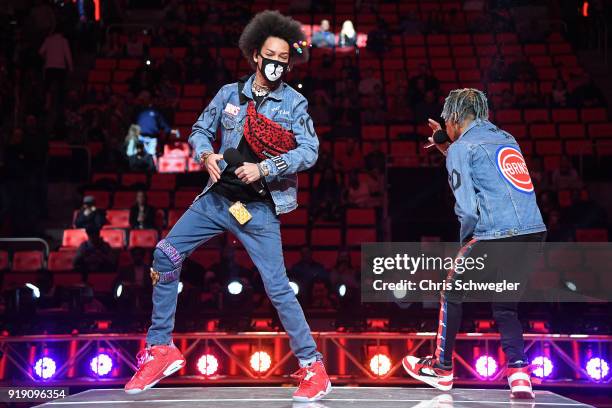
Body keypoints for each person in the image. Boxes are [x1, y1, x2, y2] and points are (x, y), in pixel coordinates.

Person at [124, 11, 332, 402]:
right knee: (165, 254)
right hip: (217, 200)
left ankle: (313, 368)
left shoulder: (294, 103)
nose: (275, 63)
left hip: (257, 210)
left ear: (288, 63)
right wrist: (205, 155)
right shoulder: (228, 94)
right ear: (255, 55)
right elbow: (200, 130)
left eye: (283, 59)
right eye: (269, 55)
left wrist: (266, 167)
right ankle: (161, 348)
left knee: (277, 287)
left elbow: (311, 150)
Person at [402, 89, 546, 399]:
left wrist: (467, 242)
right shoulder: (506, 138)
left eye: (445, 120)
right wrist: (446, 147)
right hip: (533, 231)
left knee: (450, 291)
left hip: (494, 232)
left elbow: (467, 207)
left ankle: (441, 369)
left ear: (453, 118)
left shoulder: (460, 148)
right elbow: (487, 174)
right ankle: (519, 373)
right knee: (505, 304)